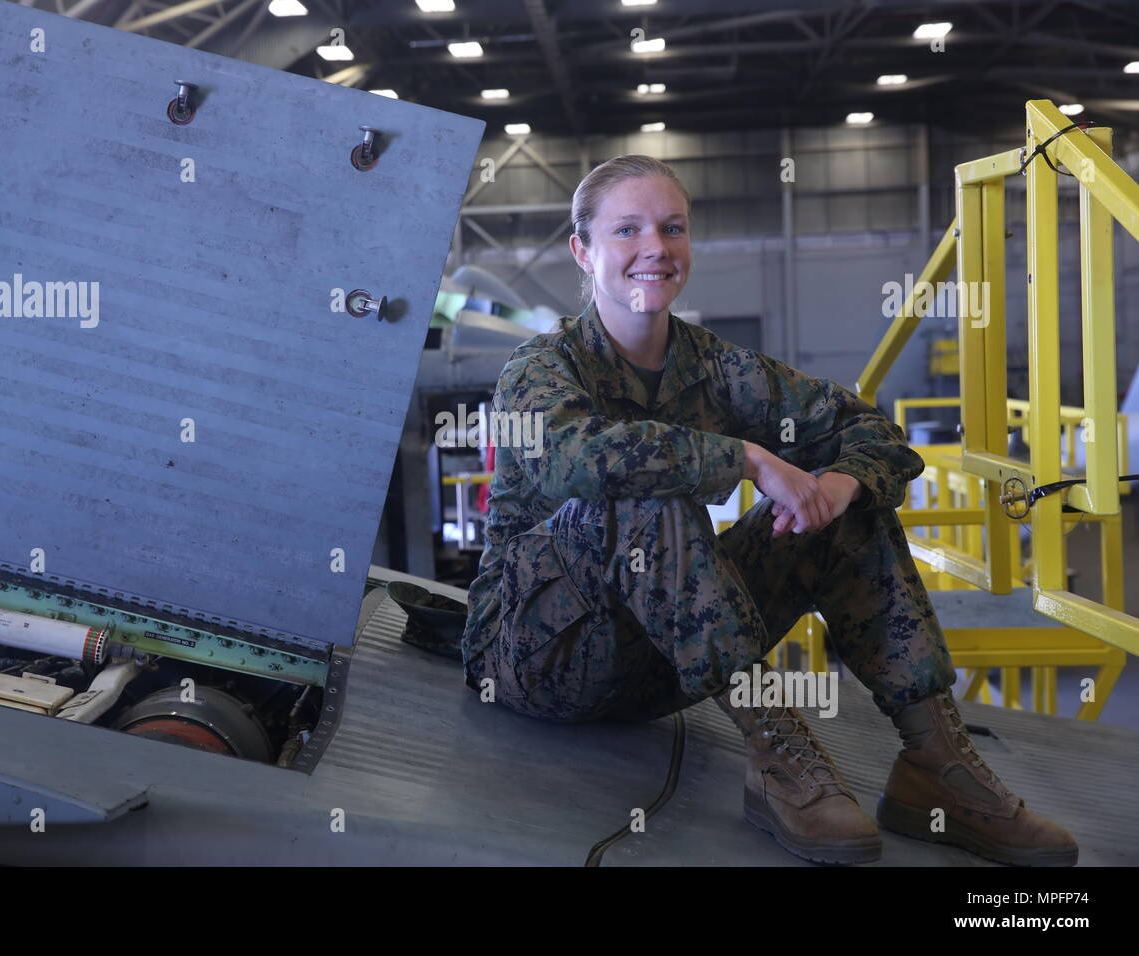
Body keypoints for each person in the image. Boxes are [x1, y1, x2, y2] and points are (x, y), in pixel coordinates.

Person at [459, 154, 1078, 867]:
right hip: (540, 658)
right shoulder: (540, 369)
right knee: (643, 492)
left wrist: (839, 485)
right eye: (626, 229)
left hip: (660, 667)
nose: (655, 247)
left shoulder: (717, 366)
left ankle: (935, 768)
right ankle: (779, 758)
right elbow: (575, 459)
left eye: (672, 227)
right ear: (583, 250)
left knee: (845, 505)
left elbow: (873, 432)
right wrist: (748, 459)